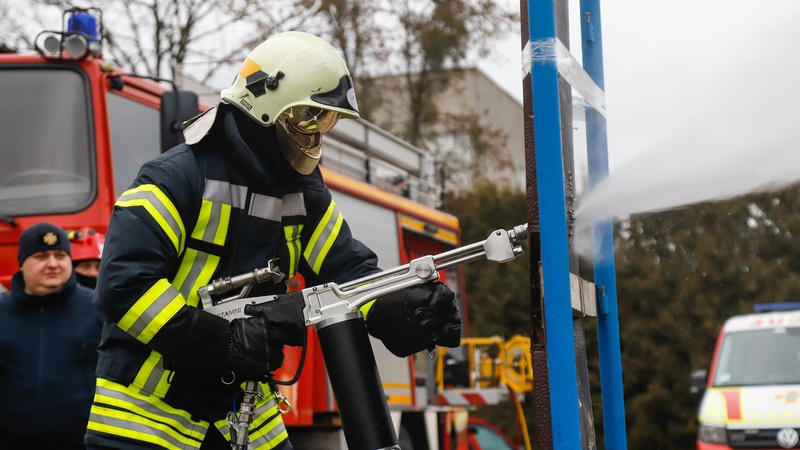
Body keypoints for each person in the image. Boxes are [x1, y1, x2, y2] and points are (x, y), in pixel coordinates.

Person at [84, 31, 462, 450]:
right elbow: (124, 284)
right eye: (306, 117)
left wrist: (402, 305)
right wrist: (219, 340)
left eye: (324, 121)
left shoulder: (306, 195)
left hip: (247, 418)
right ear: (264, 106)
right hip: (145, 422)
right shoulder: (174, 178)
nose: (316, 134)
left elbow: (349, 273)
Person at [0, 222, 104, 449]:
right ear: (22, 264)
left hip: (83, 444)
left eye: (60, 255)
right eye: (41, 256)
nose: (53, 264)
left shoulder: (98, 308)